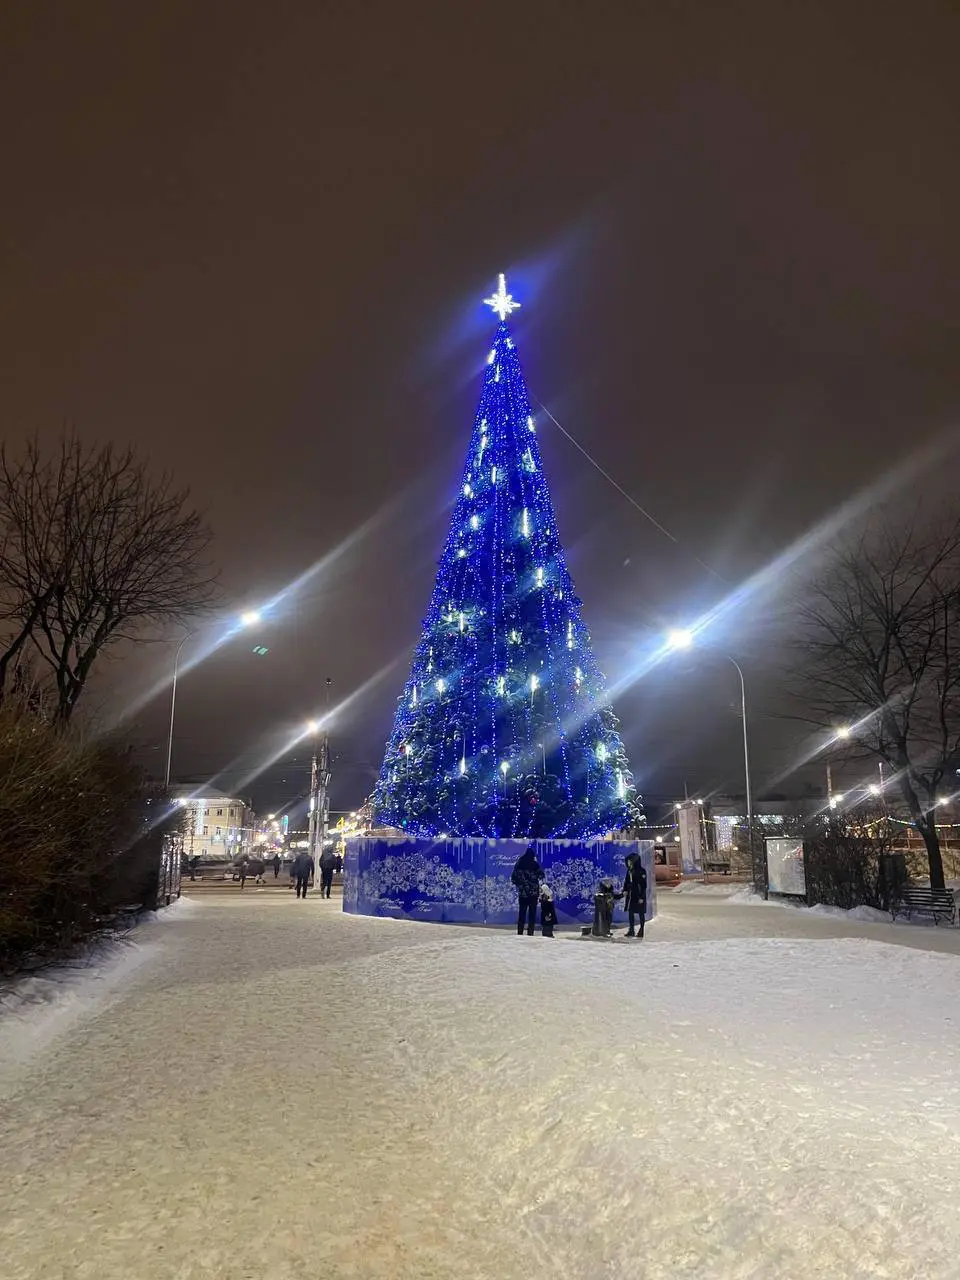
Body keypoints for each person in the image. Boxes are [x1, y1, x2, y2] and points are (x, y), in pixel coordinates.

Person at [511, 845, 543, 936]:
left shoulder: (519, 863)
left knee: (522, 914)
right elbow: (541, 876)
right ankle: (530, 933)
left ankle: (520, 933)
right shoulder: (535, 864)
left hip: (523, 893)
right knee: (532, 915)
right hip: (533, 893)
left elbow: (513, 878)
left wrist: (520, 885)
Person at [622, 852, 648, 938]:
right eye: (628, 861)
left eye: (630, 861)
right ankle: (631, 930)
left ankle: (642, 930)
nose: (629, 863)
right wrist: (625, 890)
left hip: (639, 895)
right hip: (631, 895)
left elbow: (644, 885)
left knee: (641, 913)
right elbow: (626, 882)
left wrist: (641, 897)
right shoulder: (629, 871)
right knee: (631, 912)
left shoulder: (642, 871)